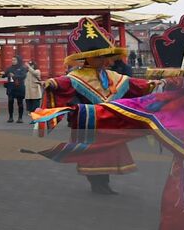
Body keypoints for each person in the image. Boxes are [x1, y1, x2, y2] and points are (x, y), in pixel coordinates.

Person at [34, 11, 184, 230]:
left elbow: (136, 96)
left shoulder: (170, 97)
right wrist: (73, 110)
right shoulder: (180, 101)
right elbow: (131, 107)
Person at [34, 17, 159, 194]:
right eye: (99, 57)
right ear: (88, 58)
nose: (103, 61)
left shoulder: (111, 75)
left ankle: (104, 183)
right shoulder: (77, 75)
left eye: (104, 57)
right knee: (92, 154)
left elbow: (133, 84)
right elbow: (64, 83)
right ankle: (96, 183)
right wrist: (51, 83)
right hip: (89, 123)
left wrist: (153, 84)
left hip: (109, 123)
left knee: (108, 152)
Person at [1, 55, 29, 122]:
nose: (13, 61)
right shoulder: (9, 68)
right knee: (10, 101)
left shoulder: (23, 68)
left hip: (19, 87)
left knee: (20, 102)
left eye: (14, 60)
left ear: (18, 60)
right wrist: (2, 73)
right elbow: (4, 75)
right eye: (12, 60)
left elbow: (23, 76)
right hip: (11, 87)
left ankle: (20, 118)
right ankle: (10, 117)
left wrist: (14, 76)